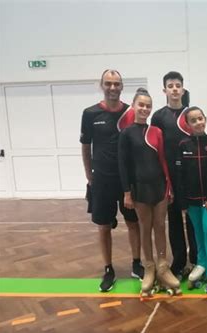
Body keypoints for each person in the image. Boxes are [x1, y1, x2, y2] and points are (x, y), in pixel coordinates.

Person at [80, 69, 143, 292]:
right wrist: (90, 176)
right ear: (102, 85)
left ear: (122, 86)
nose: (113, 88)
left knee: (133, 223)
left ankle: (137, 263)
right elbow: (86, 147)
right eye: (109, 83)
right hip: (102, 180)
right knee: (104, 226)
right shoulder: (90, 114)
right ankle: (108, 269)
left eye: (117, 84)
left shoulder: (131, 113)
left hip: (128, 181)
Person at [118, 88, 180, 296]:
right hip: (139, 189)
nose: (144, 109)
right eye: (141, 105)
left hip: (159, 187)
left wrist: (169, 185)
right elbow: (123, 165)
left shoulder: (157, 132)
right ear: (134, 106)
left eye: (147, 106)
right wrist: (127, 192)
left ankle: (163, 266)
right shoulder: (126, 134)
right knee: (145, 227)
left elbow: (163, 160)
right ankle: (150, 268)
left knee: (160, 226)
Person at [175, 106, 207, 296]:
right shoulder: (183, 145)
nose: (198, 123)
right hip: (190, 200)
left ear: (205, 119)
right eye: (193, 120)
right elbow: (179, 176)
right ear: (188, 124)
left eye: (200, 119)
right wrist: (182, 203)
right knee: (197, 231)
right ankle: (201, 263)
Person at [150, 71, 197, 279]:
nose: (175, 89)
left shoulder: (191, 114)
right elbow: (154, 147)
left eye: (178, 85)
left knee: (193, 221)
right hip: (169, 177)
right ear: (165, 90)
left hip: (191, 177)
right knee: (175, 221)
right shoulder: (158, 117)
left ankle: (197, 262)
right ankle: (178, 262)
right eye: (171, 86)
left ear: (183, 89)